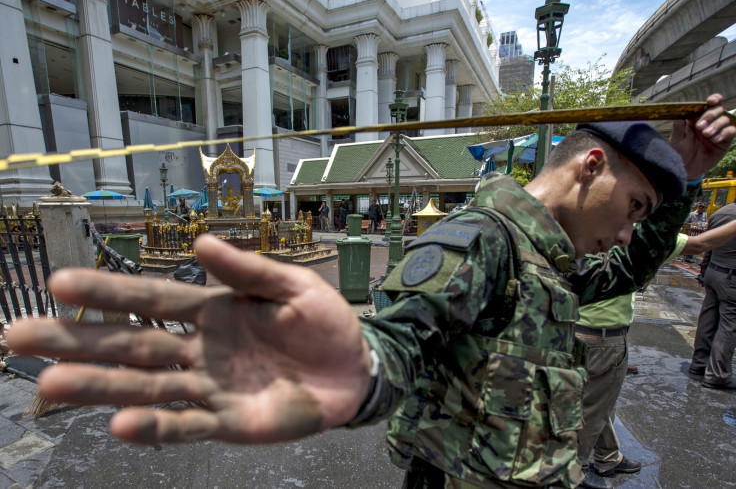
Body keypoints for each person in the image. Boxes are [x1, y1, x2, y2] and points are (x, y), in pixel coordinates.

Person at [7, 95, 734, 489]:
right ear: (591, 166)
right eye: (635, 208)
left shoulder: (552, 258)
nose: (626, 233)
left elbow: (627, 271)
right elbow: (398, 342)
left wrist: (683, 177)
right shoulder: (480, 242)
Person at [576, 219, 736, 489]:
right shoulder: (640, 236)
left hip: (577, 330)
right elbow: (703, 242)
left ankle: (607, 457)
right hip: (605, 339)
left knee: (600, 401)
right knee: (593, 409)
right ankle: (576, 471)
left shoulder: (581, 226)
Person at [689, 201, 736, 389]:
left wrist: (704, 270)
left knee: (708, 318)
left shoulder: (721, 212)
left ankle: (698, 364)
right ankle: (717, 374)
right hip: (732, 277)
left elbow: (709, 244)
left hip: (713, 272)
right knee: (729, 325)